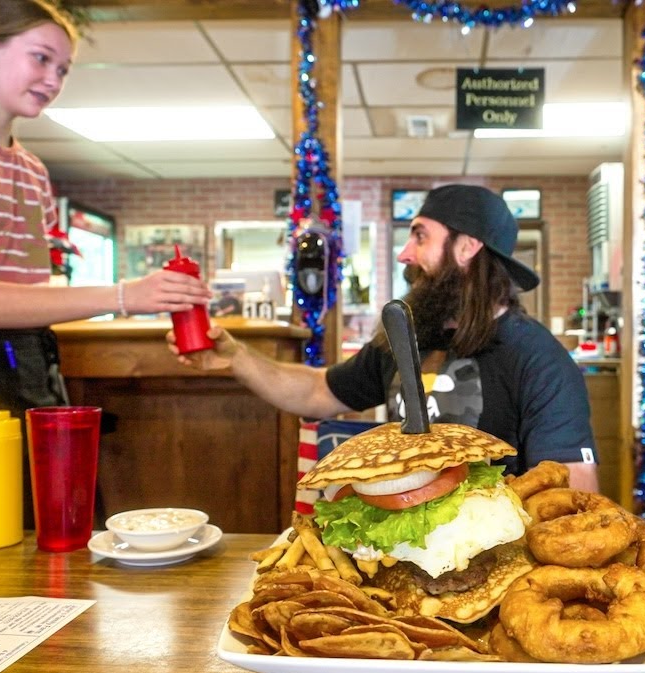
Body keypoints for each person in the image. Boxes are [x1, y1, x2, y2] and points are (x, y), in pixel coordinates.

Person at [0, 0, 209, 549]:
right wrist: (125, 295)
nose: (53, 79)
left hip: (29, 363)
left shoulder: (31, 170)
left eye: (63, 68)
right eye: (41, 58)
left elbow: (28, 294)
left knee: (53, 542)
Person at [173, 184, 599, 492]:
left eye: (420, 235)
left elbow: (572, 493)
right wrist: (237, 359)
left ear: (467, 247)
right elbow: (319, 391)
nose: (404, 253)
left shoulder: (539, 358)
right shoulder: (407, 338)